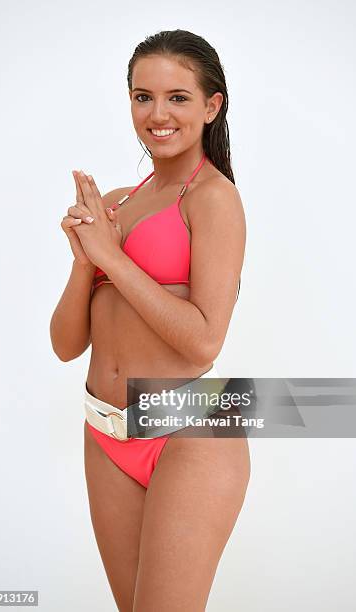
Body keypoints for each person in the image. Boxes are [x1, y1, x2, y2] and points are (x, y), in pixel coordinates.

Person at [50, 29, 250, 612]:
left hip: (189, 430)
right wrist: (85, 262)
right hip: (105, 429)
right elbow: (66, 345)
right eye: (143, 96)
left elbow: (203, 341)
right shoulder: (116, 201)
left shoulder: (213, 199)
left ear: (212, 106)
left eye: (178, 97)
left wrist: (113, 256)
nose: (157, 114)